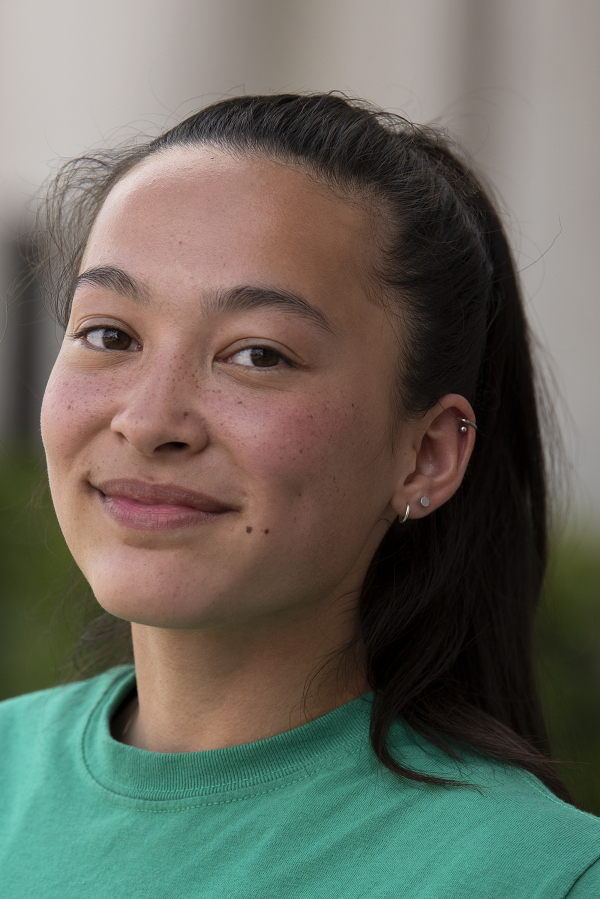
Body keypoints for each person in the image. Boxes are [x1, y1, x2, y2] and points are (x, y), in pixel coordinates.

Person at [1, 93, 599, 897]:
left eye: (257, 355)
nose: (148, 422)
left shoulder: (536, 876)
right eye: (110, 334)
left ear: (424, 454)